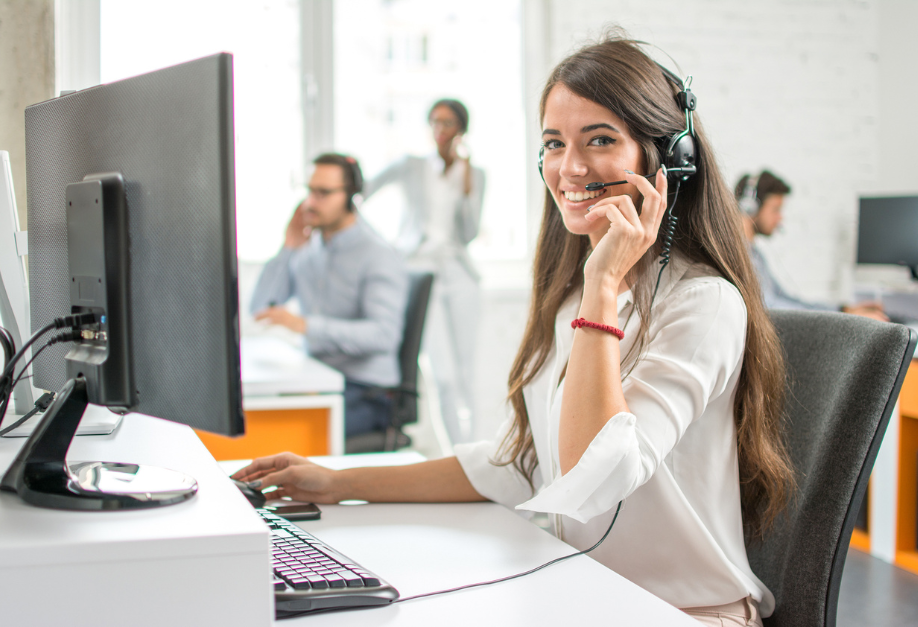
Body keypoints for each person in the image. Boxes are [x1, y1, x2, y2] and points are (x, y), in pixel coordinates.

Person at [235, 33, 795, 626]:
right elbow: (520, 462)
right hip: (586, 595)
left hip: (685, 612)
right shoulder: (575, 295)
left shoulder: (703, 304)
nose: (570, 168)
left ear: (667, 161)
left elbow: (592, 477)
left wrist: (604, 281)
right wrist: (338, 480)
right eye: (554, 143)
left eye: (600, 140)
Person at [250, 153, 409, 439]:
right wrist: (288, 247)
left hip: (366, 391)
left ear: (351, 197)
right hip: (318, 379)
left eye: (323, 193)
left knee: (280, 435)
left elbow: (384, 335)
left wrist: (307, 325)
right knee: (254, 418)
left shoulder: (378, 255)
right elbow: (260, 309)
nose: (311, 202)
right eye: (310, 191)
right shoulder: (308, 249)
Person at [362, 99, 486, 445]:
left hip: (458, 273)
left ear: (461, 130)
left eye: (446, 123)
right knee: (442, 374)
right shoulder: (411, 166)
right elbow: (363, 192)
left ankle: (473, 450)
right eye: (434, 122)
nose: (439, 130)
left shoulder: (474, 175)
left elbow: (469, 232)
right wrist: (388, 248)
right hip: (419, 270)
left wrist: (466, 189)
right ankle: (454, 454)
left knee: (466, 373)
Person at [735, 170, 887, 320]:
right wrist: (845, 318)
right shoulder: (739, 256)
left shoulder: (755, 255)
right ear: (749, 207)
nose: (780, 218)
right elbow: (771, 308)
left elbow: (788, 301)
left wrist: (843, 310)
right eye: (776, 209)